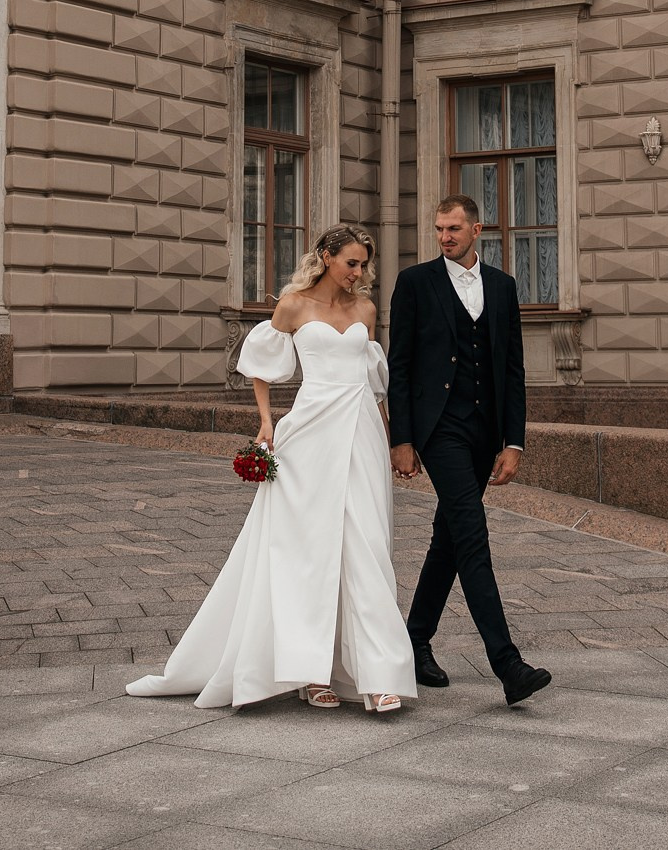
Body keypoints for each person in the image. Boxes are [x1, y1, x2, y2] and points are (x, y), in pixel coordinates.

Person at [126, 224, 416, 712]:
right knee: (305, 551)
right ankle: (310, 673)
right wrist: (266, 422)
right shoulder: (294, 305)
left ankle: (379, 676)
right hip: (309, 433)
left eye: (364, 264)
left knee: (366, 547)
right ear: (326, 257)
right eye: (351, 262)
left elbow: (376, 384)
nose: (358, 272)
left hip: (362, 430)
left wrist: (393, 442)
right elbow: (259, 362)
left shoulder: (365, 310)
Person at [387, 195, 553, 706]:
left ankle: (413, 641)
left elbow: (513, 369)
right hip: (440, 430)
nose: (445, 237)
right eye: (438, 229)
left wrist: (514, 441)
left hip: (486, 432)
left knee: (450, 539)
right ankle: (507, 664)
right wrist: (402, 439)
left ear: (476, 229)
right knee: (472, 534)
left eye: (454, 228)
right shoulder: (415, 283)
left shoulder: (503, 287)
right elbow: (402, 365)